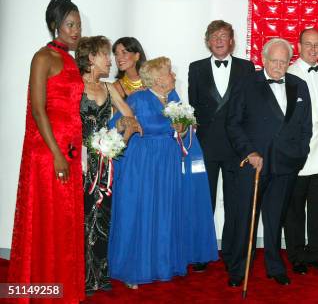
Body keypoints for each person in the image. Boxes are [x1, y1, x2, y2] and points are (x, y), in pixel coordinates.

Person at [108, 57, 218, 288]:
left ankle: (161, 263)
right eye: (170, 73)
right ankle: (133, 269)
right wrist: (125, 125)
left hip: (168, 164)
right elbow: (115, 125)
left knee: (164, 211)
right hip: (143, 164)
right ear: (158, 79)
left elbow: (185, 129)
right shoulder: (138, 98)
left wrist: (184, 127)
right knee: (142, 211)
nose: (174, 77)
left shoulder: (174, 98)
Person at [8, 0, 86, 303]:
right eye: (70, 24)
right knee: (47, 222)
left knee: (63, 224)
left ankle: (61, 289)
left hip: (69, 151)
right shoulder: (42, 57)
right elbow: (38, 110)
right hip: (49, 153)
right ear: (55, 26)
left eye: (78, 24)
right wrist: (56, 154)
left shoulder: (69, 59)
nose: (76, 30)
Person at [226, 38, 312, 287]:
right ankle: (239, 270)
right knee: (245, 220)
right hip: (254, 164)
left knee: (275, 220)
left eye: (283, 61)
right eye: (273, 61)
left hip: (285, 165)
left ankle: (275, 267)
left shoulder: (299, 85)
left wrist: (300, 153)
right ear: (263, 59)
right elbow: (233, 123)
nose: (278, 66)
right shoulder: (246, 84)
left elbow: (306, 125)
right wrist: (249, 152)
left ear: (289, 61)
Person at [75, 35, 141, 295]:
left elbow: (130, 117)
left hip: (106, 162)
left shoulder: (111, 87)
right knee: (83, 217)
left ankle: (99, 276)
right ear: (91, 58)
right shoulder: (75, 86)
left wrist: (120, 136)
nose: (110, 59)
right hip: (81, 162)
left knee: (103, 217)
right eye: (105, 54)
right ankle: (81, 276)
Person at [188, 20, 255, 271]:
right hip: (205, 147)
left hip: (237, 147)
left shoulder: (247, 68)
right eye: (214, 36)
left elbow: (250, 109)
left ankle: (232, 252)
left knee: (235, 203)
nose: (218, 40)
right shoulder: (195, 69)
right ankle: (202, 252)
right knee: (204, 201)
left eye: (224, 36)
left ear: (232, 41)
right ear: (207, 41)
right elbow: (193, 108)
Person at [285, 28, 318, 275]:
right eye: (308, 44)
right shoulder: (289, 74)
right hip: (300, 155)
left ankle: (316, 254)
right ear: (299, 45)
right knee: (295, 210)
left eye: (317, 45)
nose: (313, 49)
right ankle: (296, 256)